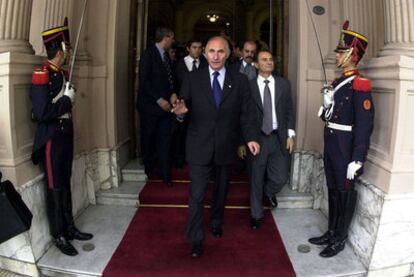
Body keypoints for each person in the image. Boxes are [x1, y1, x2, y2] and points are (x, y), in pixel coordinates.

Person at [172, 36, 260, 258]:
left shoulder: (240, 81)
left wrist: (250, 138)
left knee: (221, 191)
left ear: (229, 54)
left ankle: (216, 222)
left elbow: (246, 114)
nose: (216, 56)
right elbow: (183, 107)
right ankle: (195, 238)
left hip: (226, 146)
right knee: (197, 194)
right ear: (204, 53)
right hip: (198, 146)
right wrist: (181, 114)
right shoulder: (193, 78)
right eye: (211, 51)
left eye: (221, 51)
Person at [308, 21, 374, 257]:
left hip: (345, 147)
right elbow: (328, 117)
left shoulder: (359, 84)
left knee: (345, 192)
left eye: (341, 52)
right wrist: (326, 106)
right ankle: (331, 231)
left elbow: (364, 125)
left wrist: (358, 159)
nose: (337, 55)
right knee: (333, 189)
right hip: (331, 143)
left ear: (352, 55)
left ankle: (339, 239)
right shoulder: (338, 83)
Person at [30, 19, 93, 256]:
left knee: (65, 183)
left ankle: (69, 228)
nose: (69, 53)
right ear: (60, 49)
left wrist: (67, 99)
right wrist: (67, 100)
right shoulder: (41, 74)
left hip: (65, 135)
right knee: (55, 187)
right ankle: (58, 235)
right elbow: (44, 112)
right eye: (66, 47)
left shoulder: (63, 74)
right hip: (52, 138)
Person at [244, 50, 295, 230]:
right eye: (264, 60)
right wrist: (247, 140)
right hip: (257, 139)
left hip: (278, 137)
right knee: (256, 178)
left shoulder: (283, 84)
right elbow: (244, 116)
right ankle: (256, 214)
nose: (269, 62)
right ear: (256, 65)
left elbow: (289, 110)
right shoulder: (248, 86)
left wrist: (290, 134)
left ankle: (269, 191)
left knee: (280, 177)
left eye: (271, 59)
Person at [136, 27, 175, 186]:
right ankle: (149, 169)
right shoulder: (148, 54)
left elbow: (170, 80)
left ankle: (165, 174)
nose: (173, 41)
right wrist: (160, 100)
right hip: (150, 108)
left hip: (166, 108)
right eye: (172, 38)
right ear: (166, 37)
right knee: (149, 138)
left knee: (165, 140)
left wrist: (172, 93)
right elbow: (144, 82)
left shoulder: (166, 57)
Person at [171, 39, 207, 168]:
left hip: (201, 105)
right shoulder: (178, 64)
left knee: (200, 133)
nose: (197, 50)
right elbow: (173, 84)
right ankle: (180, 160)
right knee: (181, 133)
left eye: (199, 47)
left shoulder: (206, 63)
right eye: (194, 47)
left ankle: (199, 159)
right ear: (188, 48)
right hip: (183, 104)